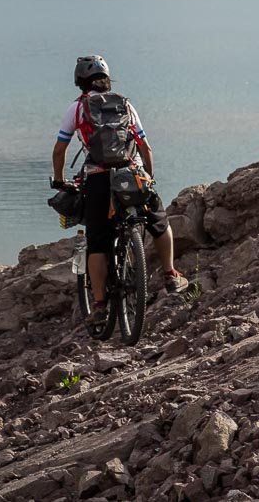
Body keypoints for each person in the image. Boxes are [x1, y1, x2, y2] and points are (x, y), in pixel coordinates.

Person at [51, 54, 188, 326]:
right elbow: (145, 147)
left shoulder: (77, 108)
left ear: (79, 82)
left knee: (97, 243)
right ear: (107, 79)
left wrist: (59, 179)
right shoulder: (125, 104)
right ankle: (171, 274)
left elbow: (59, 150)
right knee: (159, 221)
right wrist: (149, 178)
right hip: (131, 173)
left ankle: (100, 305)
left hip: (98, 179)